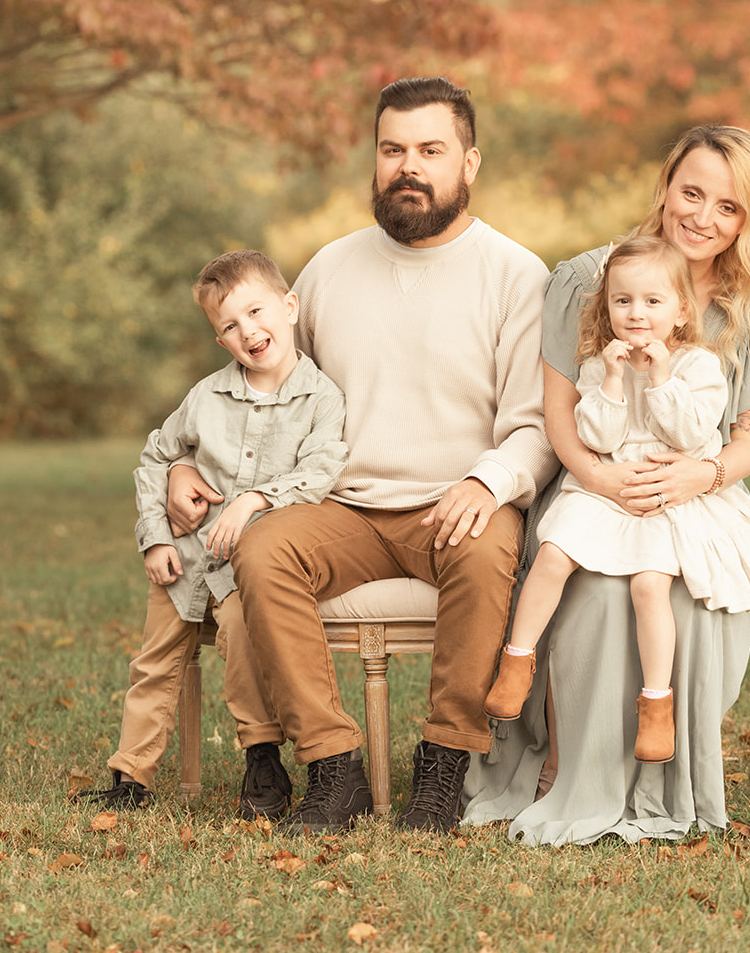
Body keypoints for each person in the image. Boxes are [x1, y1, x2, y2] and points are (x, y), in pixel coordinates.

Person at [166, 77, 555, 834]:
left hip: (457, 501)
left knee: (484, 558)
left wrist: (489, 480)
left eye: (430, 150)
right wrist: (185, 462)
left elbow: (536, 425)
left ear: (468, 163)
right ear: (375, 160)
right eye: (392, 150)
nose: (408, 166)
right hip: (338, 504)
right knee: (265, 547)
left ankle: (443, 770)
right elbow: (259, 388)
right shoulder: (329, 269)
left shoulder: (515, 275)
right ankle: (333, 768)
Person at [463, 124, 750, 846]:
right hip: (596, 478)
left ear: (749, 219)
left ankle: (660, 765)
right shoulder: (591, 279)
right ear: (665, 187)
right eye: (692, 192)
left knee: (674, 593)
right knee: (593, 587)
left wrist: (696, 474)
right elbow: (560, 418)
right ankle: (563, 760)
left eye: (729, 207)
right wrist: (604, 480)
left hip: (696, 488)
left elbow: (745, 442)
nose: (704, 217)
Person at [74, 249, 346, 820]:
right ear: (220, 340)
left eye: (256, 311)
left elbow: (319, 473)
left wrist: (255, 499)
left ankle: (263, 760)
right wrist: (156, 539)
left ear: (289, 306)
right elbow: (157, 457)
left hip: (246, 566)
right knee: (154, 663)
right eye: (230, 325)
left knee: (245, 641)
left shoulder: (322, 400)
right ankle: (130, 777)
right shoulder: (206, 397)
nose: (248, 330)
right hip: (185, 559)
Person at [482, 235, 750, 764]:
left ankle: (656, 704)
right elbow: (597, 437)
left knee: (649, 586)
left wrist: (660, 376)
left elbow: (687, 434)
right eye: (623, 302)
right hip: (609, 487)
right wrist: (614, 380)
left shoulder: (698, 367)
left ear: (681, 310)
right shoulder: (599, 366)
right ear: (607, 307)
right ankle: (516, 663)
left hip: (670, 494)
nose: (636, 314)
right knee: (552, 555)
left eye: (652, 302)